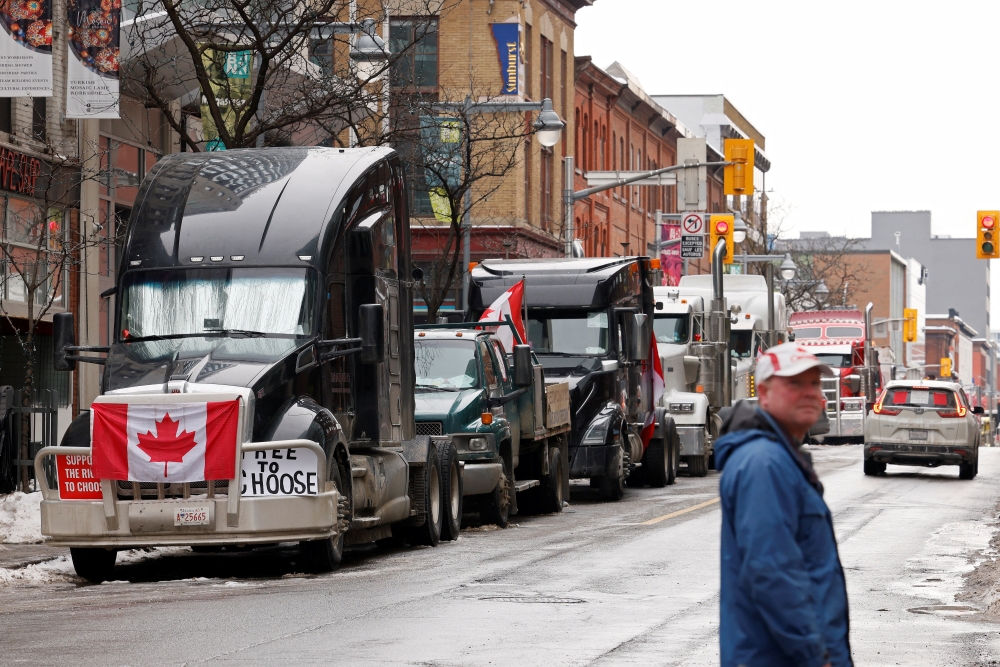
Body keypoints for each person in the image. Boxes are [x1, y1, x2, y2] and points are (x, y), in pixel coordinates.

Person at [715, 343, 852, 667]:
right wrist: (815, 656)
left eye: (814, 383)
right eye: (794, 383)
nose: (809, 393)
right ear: (763, 393)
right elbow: (772, 572)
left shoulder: (781, 457)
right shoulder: (764, 463)